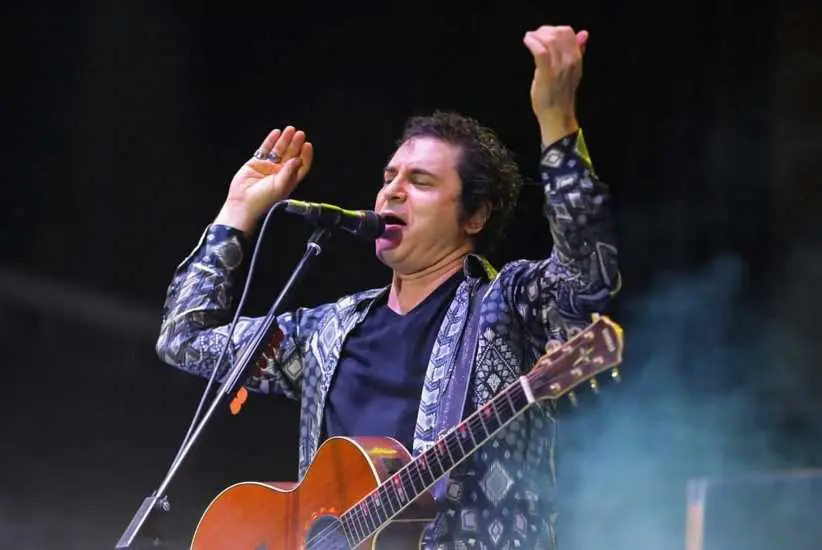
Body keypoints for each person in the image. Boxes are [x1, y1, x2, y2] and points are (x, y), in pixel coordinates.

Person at [155, 24, 620, 549]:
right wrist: (237, 211)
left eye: (420, 182)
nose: (392, 192)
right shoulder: (328, 332)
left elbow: (587, 274)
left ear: (475, 215)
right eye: (388, 177)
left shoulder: (507, 308)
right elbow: (184, 340)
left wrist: (558, 122)